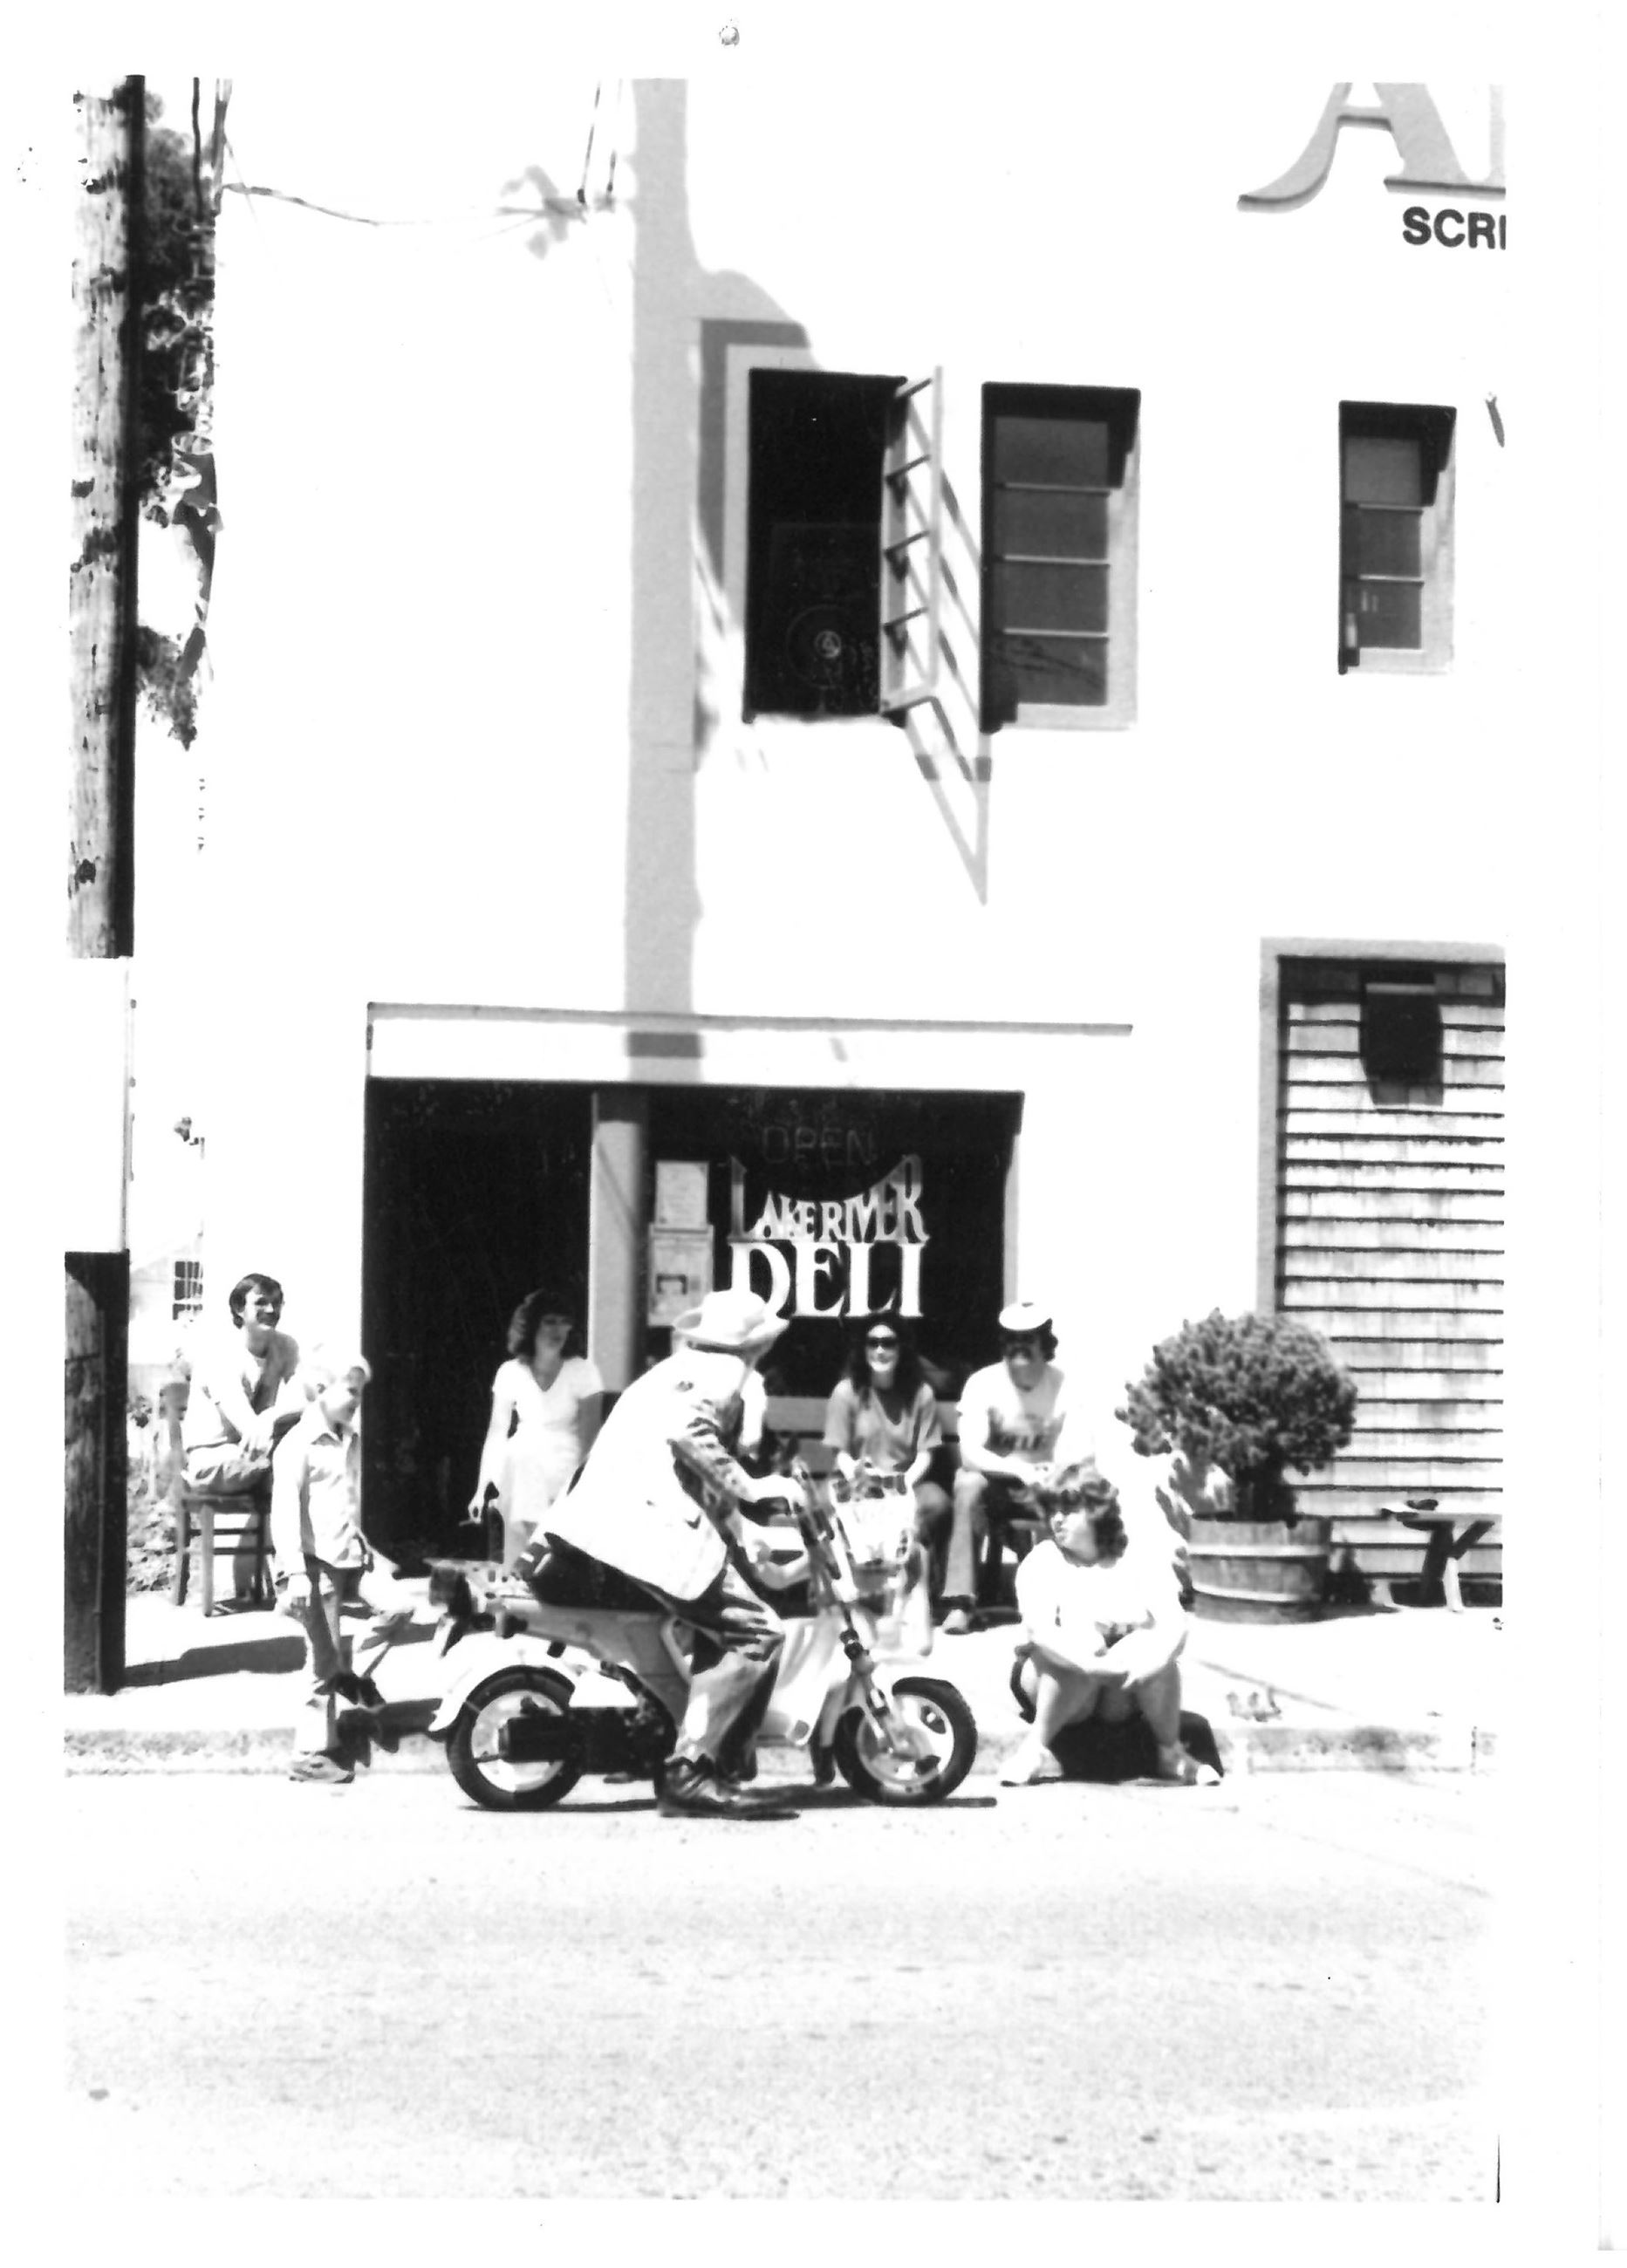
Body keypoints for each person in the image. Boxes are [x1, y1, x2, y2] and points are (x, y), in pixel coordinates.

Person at [537, 1288, 803, 1821]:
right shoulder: (728, 1374)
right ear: (757, 1343)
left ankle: (716, 1756)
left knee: (717, 1631)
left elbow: (683, 1459)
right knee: (759, 1631)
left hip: (608, 1523)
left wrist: (736, 1521)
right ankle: (693, 1771)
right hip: (650, 1529)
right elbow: (690, 1434)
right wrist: (751, 1489)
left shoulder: (674, 1368)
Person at [999, 1462, 1219, 1789]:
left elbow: (1176, 1624)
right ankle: (1034, 1749)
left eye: (1070, 1510)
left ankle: (1170, 1752)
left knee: (1150, 1645)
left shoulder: (1137, 1557)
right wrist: (1089, 1663)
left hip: (1120, 1689)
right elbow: (1039, 1632)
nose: (1057, 1519)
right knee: (1084, 1642)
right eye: (1053, 1510)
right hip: (1053, 1681)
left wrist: (1153, 1662)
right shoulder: (1044, 1559)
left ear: (1098, 1512)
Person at [271, 1351, 420, 1786]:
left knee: (399, 1608)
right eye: (351, 1391)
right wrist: (296, 1572)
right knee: (320, 1660)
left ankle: (349, 1677)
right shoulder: (297, 1445)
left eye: (361, 1392)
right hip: (315, 1567)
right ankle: (309, 1754)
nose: (358, 1400)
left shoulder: (349, 1438)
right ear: (321, 1389)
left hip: (351, 1556)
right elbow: (284, 1514)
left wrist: (363, 1541)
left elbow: (345, 1502)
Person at [940, 1299, 1091, 1634]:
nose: (1019, 1347)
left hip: (1049, 1486)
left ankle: (1077, 1599)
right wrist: (1019, 1470)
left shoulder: (1064, 1385)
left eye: (1028, 1339)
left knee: (1087, 1488)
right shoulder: (983, 1382)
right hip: (998, 1485)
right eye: (1011, 1340)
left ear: (1044, 1342)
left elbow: (1081, 1448)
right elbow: (970, 1453)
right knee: (967, 1484)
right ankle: (961, 1603)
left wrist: (1057, 1472)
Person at [181, 1273, 304, 1598]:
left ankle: (306, 1575)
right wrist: (266, 1424)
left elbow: (307, 1398)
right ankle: (293, 1578)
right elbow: (247, 1428)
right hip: (213, 1461)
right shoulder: (218, 1355)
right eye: (260, 1302)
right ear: (238, 1309)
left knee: (309, 1463)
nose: (270, 1310)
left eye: (276, 1303)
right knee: (294, 1467)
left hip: (254, 1459)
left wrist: (272, 1415)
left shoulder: (285, 1346)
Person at [470, 1288, 604, 1568]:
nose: (558, 1330)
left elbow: (589, 1443)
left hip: (566, 1465)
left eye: (563, 1322)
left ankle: (541, 1555)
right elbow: (497, 1432)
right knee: (520, 1457)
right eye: (549, 1321)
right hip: (522, 1464)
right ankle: (525, 1562)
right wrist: (483, 1486)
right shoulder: (510, 1372)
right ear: (532, 1326)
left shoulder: (584, 1372)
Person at [822, 1318, 951, 1601]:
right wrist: (861, 1479)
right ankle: (840, 1588)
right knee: (820, 1505)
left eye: (889, 1343)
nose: (880, 1350)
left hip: (905, 1482)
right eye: (873, 1343)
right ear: (863, 1348)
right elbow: (840, 1452)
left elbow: (926, 1453)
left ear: (901, 1348)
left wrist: (901, 1483)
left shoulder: (920, 1394)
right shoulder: (846, 1392)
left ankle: (920, 1588)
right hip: (855, 1481)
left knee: (937, 1503)